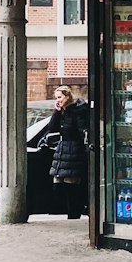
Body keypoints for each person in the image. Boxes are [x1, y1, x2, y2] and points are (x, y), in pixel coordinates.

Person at [45, 85, 89, 219]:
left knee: (71, 186)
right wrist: (56, 111)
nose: (57, 100)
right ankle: (73, 210)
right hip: (63, 150)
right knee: (57, 185)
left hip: (74, 150)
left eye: (60, 97)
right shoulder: (62, 112)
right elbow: (52, 128)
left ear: (67, 97)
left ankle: (74, 213)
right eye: (56, 98)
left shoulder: (77, 111)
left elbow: (83, 131)